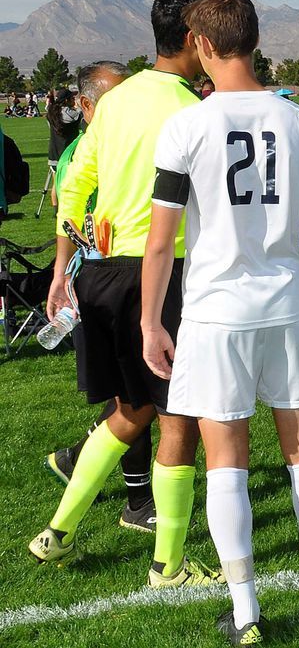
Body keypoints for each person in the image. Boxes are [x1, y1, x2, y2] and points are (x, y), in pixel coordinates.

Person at [139, 0, 299, 643]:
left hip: (213, 314)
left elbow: (160, 240)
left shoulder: (188, 125)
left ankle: (248, 611)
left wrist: (151, 321)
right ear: (255, 40)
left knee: (226, 460)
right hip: (284, 308)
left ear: (201, 44)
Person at [30, 0, 222, 588]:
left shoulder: (115, 99)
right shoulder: (194, 109)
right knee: (177, 420)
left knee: (129, 410)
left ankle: (56, 532)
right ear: (195, 38)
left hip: (105, 274)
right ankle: (167, 564)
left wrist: (64, 266)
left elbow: (74, 184)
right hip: (166, 274)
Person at [42, 62, 152, 528]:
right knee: (135, 393)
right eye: (111, 98)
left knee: (134, 391)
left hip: (130, 273)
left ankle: (82, 459)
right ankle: (136, 499)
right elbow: (65, 214)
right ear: (85, 105)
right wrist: (60, 277)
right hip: (101, 277)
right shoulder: (82, 151)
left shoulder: (127, 136)